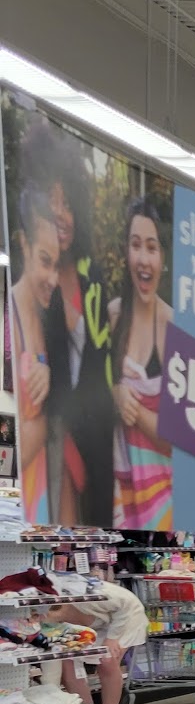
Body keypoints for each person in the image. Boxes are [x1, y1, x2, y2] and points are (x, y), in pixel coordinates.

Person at [16, 119, 116, 527]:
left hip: (94, 442)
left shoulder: (92, 278)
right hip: (52, 440)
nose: (61, 214)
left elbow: (100, 364)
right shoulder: (39, 281)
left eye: (68, 202)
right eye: (52, 200)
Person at [108, 199, 172, 530]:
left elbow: (183, 439)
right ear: (126, 252)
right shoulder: (111, 317)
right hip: (116, 495)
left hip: (163, 504)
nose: (144, 258)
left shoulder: (175, 329)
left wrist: (133, 409)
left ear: (163, 258)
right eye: (136, 245)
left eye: (152, 247)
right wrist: (112, 392)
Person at [5, 188, 58, 524]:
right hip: (20, 507)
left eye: (57, 264)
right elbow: (19, 447)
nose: (53, 278)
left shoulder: (48, 323)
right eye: (45, 261)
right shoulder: (10, 321)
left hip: (45, 508)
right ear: (23, 245)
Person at [54, 574, 148, 704]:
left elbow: (125, 605)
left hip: (126, 617)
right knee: (66, 662)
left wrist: (112, 638)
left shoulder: (86, 596)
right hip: (95, 624)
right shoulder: (41, 609)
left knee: (107, 660)